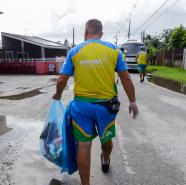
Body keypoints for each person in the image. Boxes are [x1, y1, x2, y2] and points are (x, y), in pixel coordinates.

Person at [52, 19, 139, 185]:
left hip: (81, 107)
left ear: (85, 33)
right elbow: (126, 77)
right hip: (106, 107)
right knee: (106, 140)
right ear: (101, 34)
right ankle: (105, 159)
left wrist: (57, 94)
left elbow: (63, 77)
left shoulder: (75, 51)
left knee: (84, 146)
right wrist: (132, 101)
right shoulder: (114, 50)